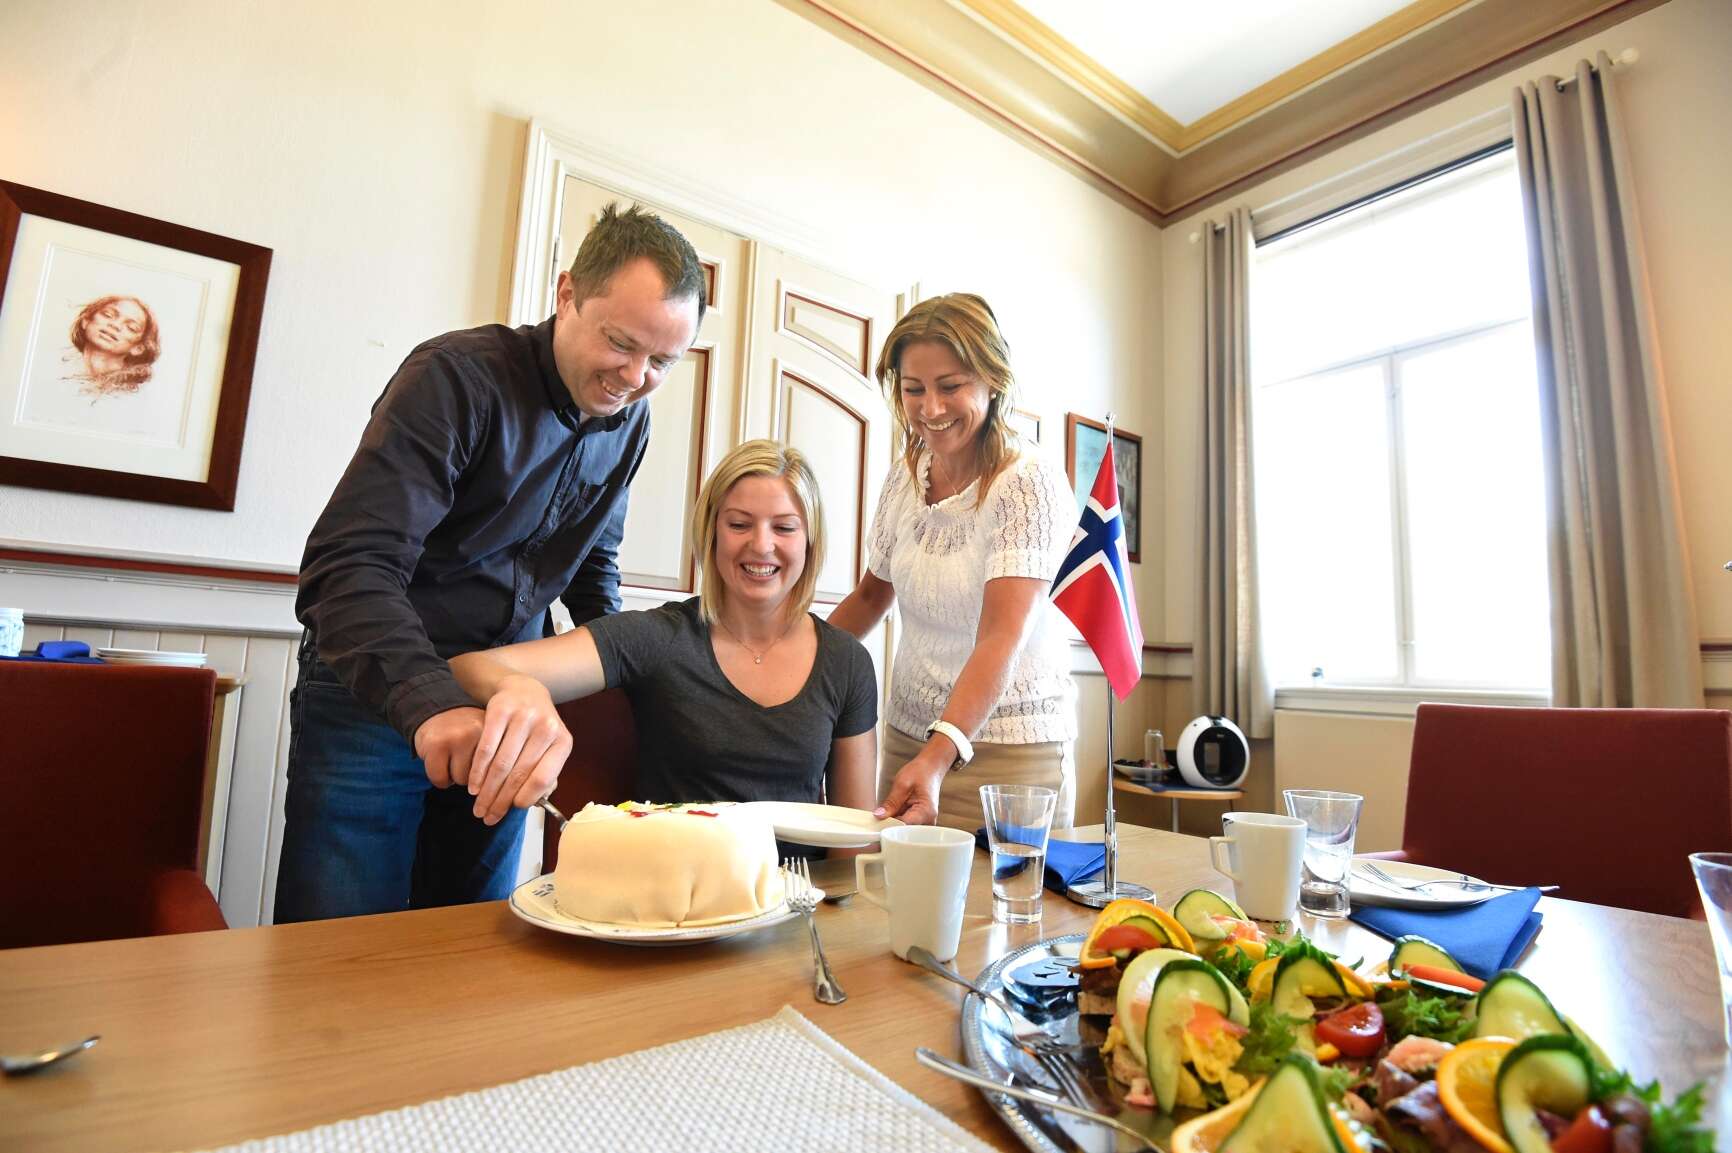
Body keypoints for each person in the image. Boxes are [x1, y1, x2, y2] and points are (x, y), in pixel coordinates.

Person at [276, 203, 705, 923]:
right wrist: (431, 700)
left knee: (473, 940)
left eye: (662, 361)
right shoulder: (455, 378)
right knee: (337, 950)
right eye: (621, 343)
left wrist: (635, 689)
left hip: (505, 704)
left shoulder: (629, 419)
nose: (634, 377)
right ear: (567, 293)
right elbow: (349, 562)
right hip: (372, 693)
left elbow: (594, 569)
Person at [449, 440, 895, 839]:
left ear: (810, 541)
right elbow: (468, 668)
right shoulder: (657, 637)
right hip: (673, 891)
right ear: (712, 533)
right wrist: (519, 688)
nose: (761, 545)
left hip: (800, 895)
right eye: (740, 524)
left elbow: (853, 841)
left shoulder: (847, 661)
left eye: (784, 527)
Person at [828, 293, 1079, 832]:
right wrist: (795, 665)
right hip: (909, 744)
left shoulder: (1027, 480)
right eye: (913, 389)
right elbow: (870, 597)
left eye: (950, 386)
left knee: (1003, 891)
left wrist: (939, 756)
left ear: (992, 379)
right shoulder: (905, 476)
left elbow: (1001, 636)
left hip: (1011, 758)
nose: (931, 409)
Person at [64, 294, 160, 396]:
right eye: (108, 315)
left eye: (131, 327)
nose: (115, 325)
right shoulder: (61, 368)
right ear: (86, 321)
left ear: (138, 348)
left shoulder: (131, 394)